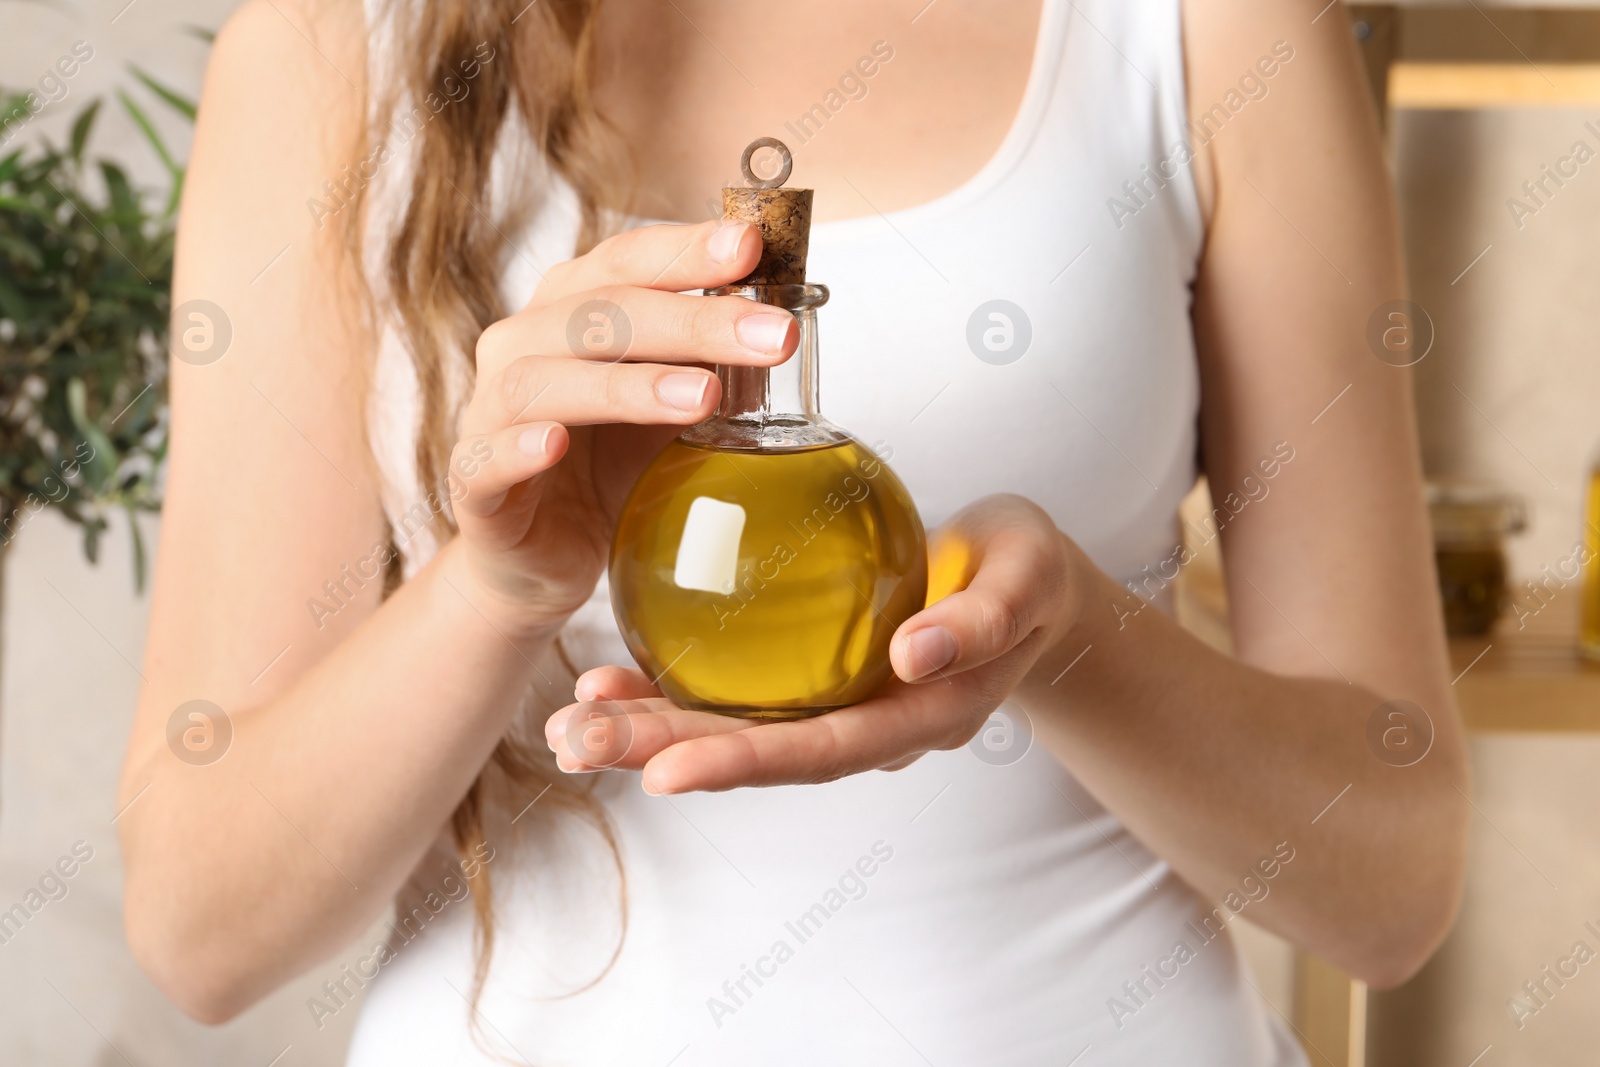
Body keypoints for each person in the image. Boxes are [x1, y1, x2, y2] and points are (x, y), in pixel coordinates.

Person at [118, 0, 1470, 1062]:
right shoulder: (331, 60)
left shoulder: (1199, 29)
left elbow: (1392, 888)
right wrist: (498, 586)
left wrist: (1067, 637)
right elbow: (201, 927)